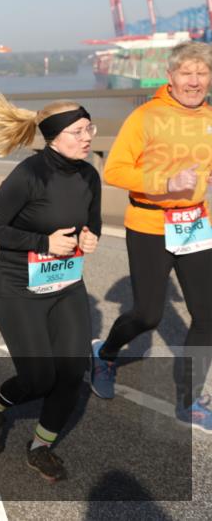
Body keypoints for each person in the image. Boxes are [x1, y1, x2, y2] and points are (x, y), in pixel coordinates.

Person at [0, 91, 101, 482]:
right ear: (55, 137)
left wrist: (90, 238)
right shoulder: (29, 174)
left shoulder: (89, 174)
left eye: (89, 128)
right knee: (39, 378)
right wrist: (43, 243)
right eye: (77, 131)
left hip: (66, 285)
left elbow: (91, 223)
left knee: (73, 372)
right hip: (19, 288)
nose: (87, 137)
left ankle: (40, 447)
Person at [91, 42, 212, 433]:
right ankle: (106, 354)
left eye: (202, 73)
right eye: (187, 74)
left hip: (194, 225)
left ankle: (188, 400)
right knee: (148, 315)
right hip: (149, 225)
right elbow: (115, 171)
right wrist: (165, 181)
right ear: (171, 78)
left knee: (208, 317)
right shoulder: (146, 116)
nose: (195, 82)